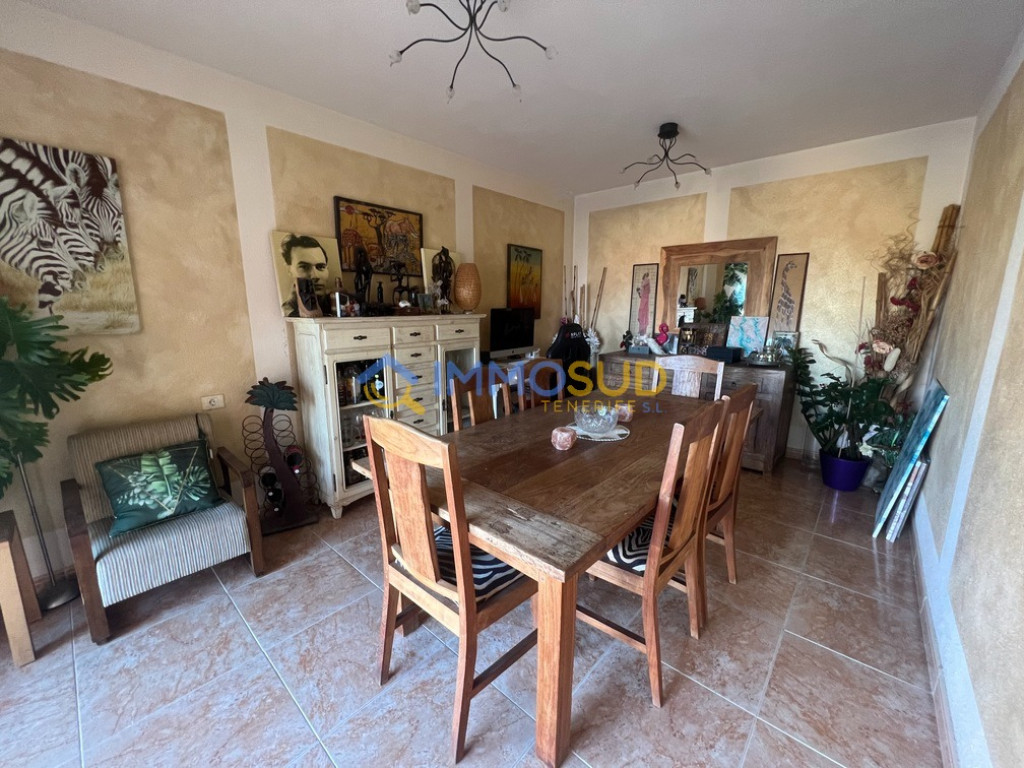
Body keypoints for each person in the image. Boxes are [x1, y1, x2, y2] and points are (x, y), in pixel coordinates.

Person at [280, 234, 329, 316]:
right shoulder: (289, 312)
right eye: (304, 267)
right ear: (289, 270)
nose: (315, 276)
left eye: (321, 267)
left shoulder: (338, 305)